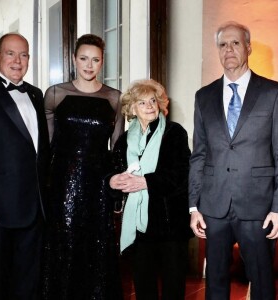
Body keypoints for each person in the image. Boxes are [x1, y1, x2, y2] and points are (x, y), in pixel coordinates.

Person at [189, 21, 278, 300]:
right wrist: (194, 206)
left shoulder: (272, 93)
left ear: (248, 47)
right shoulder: (204, 97)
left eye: (236, 43)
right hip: (213, 207)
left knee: (262, 281)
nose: (229, 49)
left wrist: (277, 207)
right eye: (223, 44)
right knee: (214, 280)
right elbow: (199, 154)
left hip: (258, 207)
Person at [41, 33, 124, 299]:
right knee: (64, 247)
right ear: (74, 59)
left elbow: (117, 148)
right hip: (63, 184)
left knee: (96, 250)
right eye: (84, 58)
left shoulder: (114, 97)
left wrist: (117, 193)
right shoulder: (55, 93)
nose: (89, 65)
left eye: (95, 60)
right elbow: (46, 147)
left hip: (99, 186)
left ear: (102, 62)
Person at [0, 33, 49, 300]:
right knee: (2, 287)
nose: (18, 61)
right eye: (11, 53)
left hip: (36, 212)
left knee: (30, 286)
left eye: (24, 54)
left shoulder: (36, 94)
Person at [109, 79, 193, 300]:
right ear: (132, 108)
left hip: (170, 224)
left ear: (160, 104)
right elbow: (114, 173)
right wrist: (114, 181)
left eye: (153, 100)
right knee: (143, 287)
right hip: (138, 227)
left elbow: (182, 175)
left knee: (173, 289)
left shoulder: (174, 133)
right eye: (142, 102)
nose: (149, 106)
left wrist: (146, 182)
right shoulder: (125, 140)